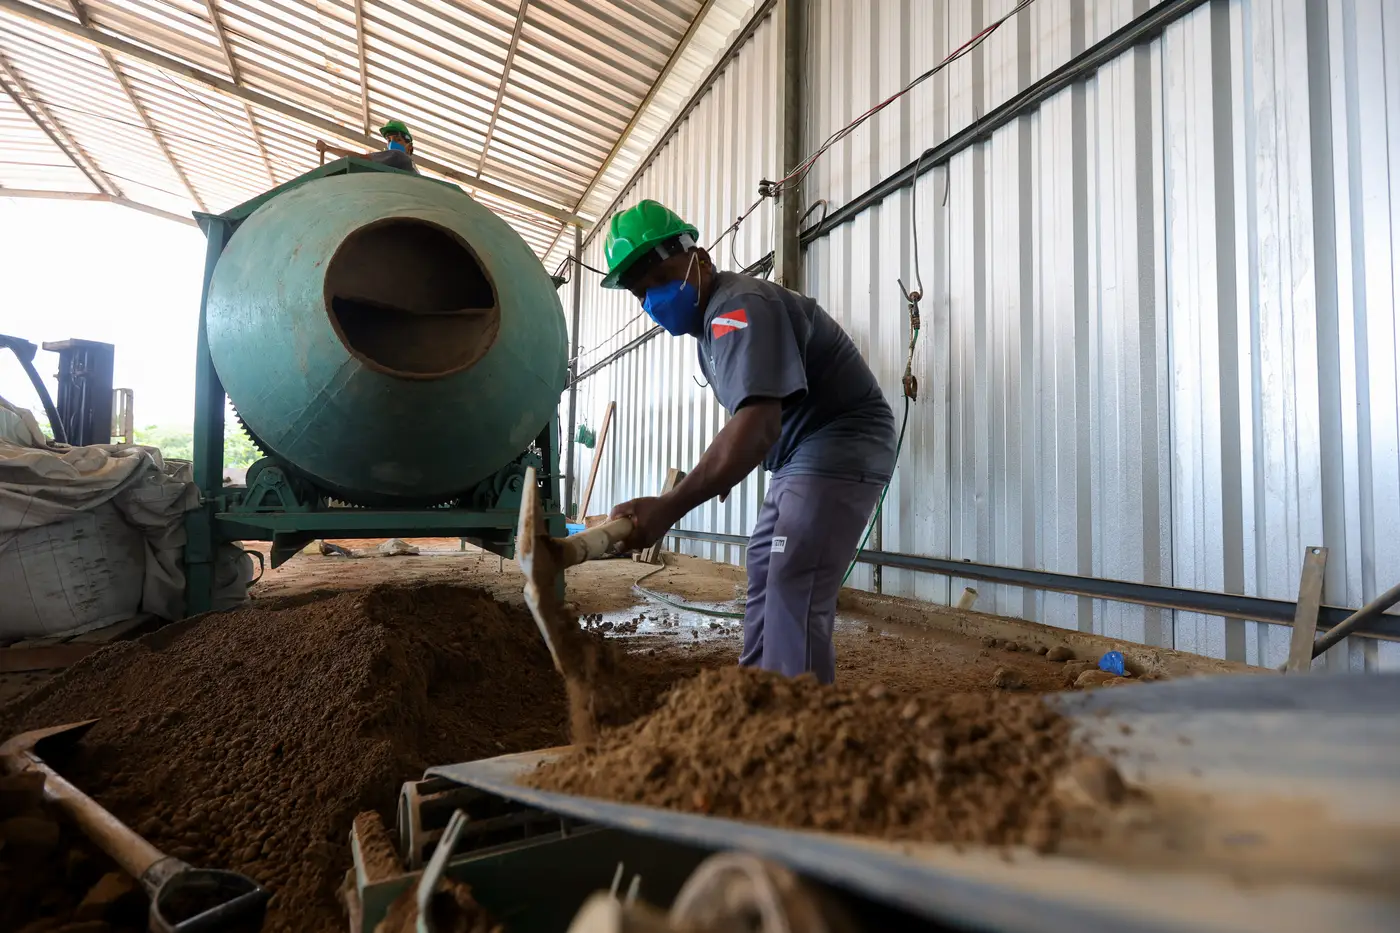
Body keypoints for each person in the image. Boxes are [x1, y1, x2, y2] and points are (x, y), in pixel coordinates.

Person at [603, 200, 896, 685]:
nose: (652, 299)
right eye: (639, 294)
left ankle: (796, 719)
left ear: (699, 257)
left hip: (841, 440)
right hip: (800, 454)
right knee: (765, 563)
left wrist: (669, 506)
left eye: (659, 280)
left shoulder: (738, 307)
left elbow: (758, 424)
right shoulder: (712, 329)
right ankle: (758, 696)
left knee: (793, 575)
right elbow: (754, 427)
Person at [316, 119, 418, 173]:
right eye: (389, 140)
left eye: (398, 139)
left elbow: (360, 159)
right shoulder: (412, 168)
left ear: (409, 147)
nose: (392, 143)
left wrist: (327, 148)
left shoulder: (397, 155)